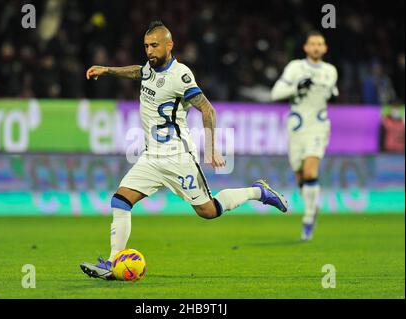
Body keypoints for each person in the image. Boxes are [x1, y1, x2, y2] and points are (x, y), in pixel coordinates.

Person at [80, 21, 288, 280]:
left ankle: (258, 191)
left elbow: (208, 109)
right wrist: (109, 70)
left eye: (154, 45)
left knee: (208, 211)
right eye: (146, 46)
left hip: (178, 157)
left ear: (169, 45)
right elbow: (139, 72)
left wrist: (211, 147)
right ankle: (112, 264)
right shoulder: (150, 68)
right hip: (151, 158)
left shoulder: (181, 75)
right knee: (120, 200)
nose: (149, 51)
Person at [270, 31, 338, 241]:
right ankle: (312, 206)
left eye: (320, 44)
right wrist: (296, 86)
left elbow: (330, 95)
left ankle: (309, 217)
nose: (316, 47)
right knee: (300, 175)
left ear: (325, 48)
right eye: (312, 44)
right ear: (306, 48)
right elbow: (275, 93)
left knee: (310, 172)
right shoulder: (295, 67)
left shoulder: (330, 71)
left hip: (318, 127)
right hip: (296, 128)